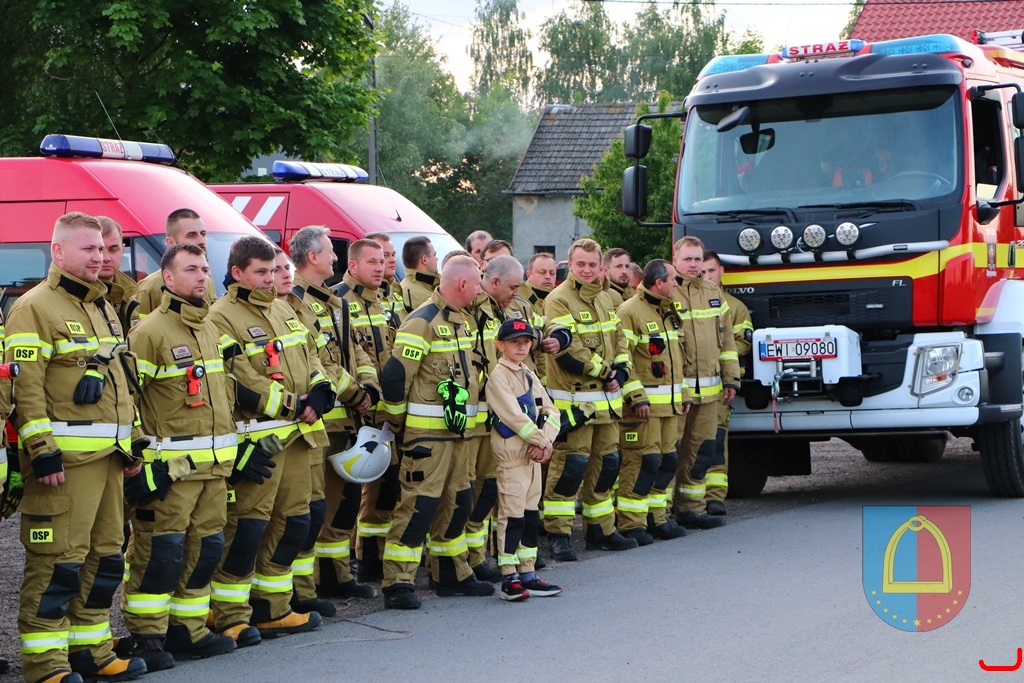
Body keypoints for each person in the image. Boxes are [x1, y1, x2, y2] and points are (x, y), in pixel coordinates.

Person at [7, 212, 146, 683]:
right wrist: (41, 449)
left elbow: (123, 383)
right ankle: (46, 664)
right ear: (58, 251)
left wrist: (134, 443)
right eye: (88, 248)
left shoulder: (102, 305)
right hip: (63, 464)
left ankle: (92, 650)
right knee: (58, 563)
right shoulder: (34, 307)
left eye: (103, 248)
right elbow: (25, 388)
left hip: (109, 459)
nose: (99, 257)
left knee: (105, 558)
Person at [207, 236, 332, 643]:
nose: (269, 278)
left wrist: (320, 390)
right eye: (260, 272)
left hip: (296, 439)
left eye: (274, 270)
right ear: (237, 272)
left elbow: (310, 356)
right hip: (258, 442)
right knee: (247, 529)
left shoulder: (283, 307)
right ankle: (230, 615)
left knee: (294, 524)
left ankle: (273, 608)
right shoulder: (220, 317)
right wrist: (296, 404)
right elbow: (239, 379)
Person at [121, 244, 239, 670]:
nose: (201, 276)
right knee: (161, 553)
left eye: (204, 269)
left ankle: (188, 629)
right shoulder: (149, 333)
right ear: (167, 278)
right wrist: (138, 456)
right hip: (170, 471)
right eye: (190, 269)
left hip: (214, 469)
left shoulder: (209, 329)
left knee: (205, 550)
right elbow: (127, 399)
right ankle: (147, 636)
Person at [379, 256, 493, 609]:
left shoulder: (460, 321)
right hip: (427, 439)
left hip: (459, 436)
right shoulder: (422, 321)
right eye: (477, 283)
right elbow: (396, 377)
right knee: (419, 508)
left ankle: (451, 573)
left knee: (457, 504)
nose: (480, 290)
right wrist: (398, 424)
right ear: (462, 284)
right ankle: (398, 583)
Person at [286, 229, 379, 605]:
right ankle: (308, 585)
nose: (336, 258)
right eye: (330, 252)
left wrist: (370, 387)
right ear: (312, 257)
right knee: (317, 506)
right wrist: (357, 394)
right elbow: (321, 363)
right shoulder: (295, 301)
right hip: (321, 421)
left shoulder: (336, 302)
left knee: (344, 504)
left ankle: (337, 576)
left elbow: (357, 352)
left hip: (348, 421)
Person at [543, 238, 637, 560]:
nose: (586, 270)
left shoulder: (606, 298)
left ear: (601, 267)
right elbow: (568, 351)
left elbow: (621, 340)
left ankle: (601, 531)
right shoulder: (558, 299)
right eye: (580, 264)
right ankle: (559, 535)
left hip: (607, 404)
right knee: (570, 469)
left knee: (606, 468)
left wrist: (621, 372)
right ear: (570, 265)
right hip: (575, 405)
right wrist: (607, 371)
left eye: (592, 264)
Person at [486, 318, 563, 601]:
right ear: (500, 345)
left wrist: (547, 441)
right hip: (512, 457)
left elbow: (551, 411)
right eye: (514, 342)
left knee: (530, 516)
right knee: (512, 517)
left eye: (526, 342)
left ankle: (528, 572)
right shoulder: (498, 376)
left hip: (533, 457)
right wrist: (542, 442)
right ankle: (509, 576)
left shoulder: (528, 374)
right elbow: (513, 416)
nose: (521, 347)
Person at [615, 260, 690, 544]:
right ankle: (632, 523)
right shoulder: (629, 312)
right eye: (674, 279)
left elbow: (677, 360)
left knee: (667, 461)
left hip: (669, 407)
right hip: (643, 409)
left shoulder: (668, 310)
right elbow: (624, 360)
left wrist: (683, 395)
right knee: (642, 463)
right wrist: (636, 397)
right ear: (659, 283)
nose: (677, 284)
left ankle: (657, 518)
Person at [335, 240, 396, 583]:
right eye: (372, 261)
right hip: (357, 409)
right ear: (353, 265)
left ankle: (374, 559)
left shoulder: (383, 300)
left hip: (386, 409)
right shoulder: (339, 299)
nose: (380, 267)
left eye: (383, 260)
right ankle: (357, 559)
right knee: (355, 491)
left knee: (385, 489)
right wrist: (361, 394)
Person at [671, 237, 741, 529]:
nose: (693, 265)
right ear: (675, 260)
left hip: (711, 392)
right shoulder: (667, 291)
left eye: (697, 259)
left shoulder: (714, 292)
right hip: (677, 391)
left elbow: (727, 342)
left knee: (701, 451)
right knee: (669, 452)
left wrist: (731, 378)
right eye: (687, 259)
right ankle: (659, 514)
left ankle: (692, 509)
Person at [700, 250, 753, 516]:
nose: (707, 276)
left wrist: (716, 355)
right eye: (703, 271)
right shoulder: (684, 301)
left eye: (711, 270)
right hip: (691, 386)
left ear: (721, 272)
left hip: (720, 385)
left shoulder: (735, 307)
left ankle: (715, 497)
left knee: (716, 442)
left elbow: (743, 343)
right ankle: (689, 499)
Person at [131, 209, 218, 324]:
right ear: (170, 242)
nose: (201, 241)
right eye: (192, 235)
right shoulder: (149, 288)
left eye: (203, 234)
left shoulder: (207, 282)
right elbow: (143, 330)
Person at [96, 216, 139, 333]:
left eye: (113, 249)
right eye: (100, 250)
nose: (106, 258)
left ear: (123, 249)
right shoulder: (81, 297)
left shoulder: (133, 294)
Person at [364, 232, 403, 333]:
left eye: (393, 255)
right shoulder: (360, 292)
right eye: (386, 256)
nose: (393, 260)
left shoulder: (398, 289)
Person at [399, 236, 439, 313]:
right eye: (434, 255)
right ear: (424, 259)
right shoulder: (408, 291)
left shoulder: (430, 284)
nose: (437, 259)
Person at [523, 252, 557, 316]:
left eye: (552, 273)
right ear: (528, 275)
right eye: (542, 272)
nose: (548, 276)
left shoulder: (562, 297)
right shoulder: (520, 299)